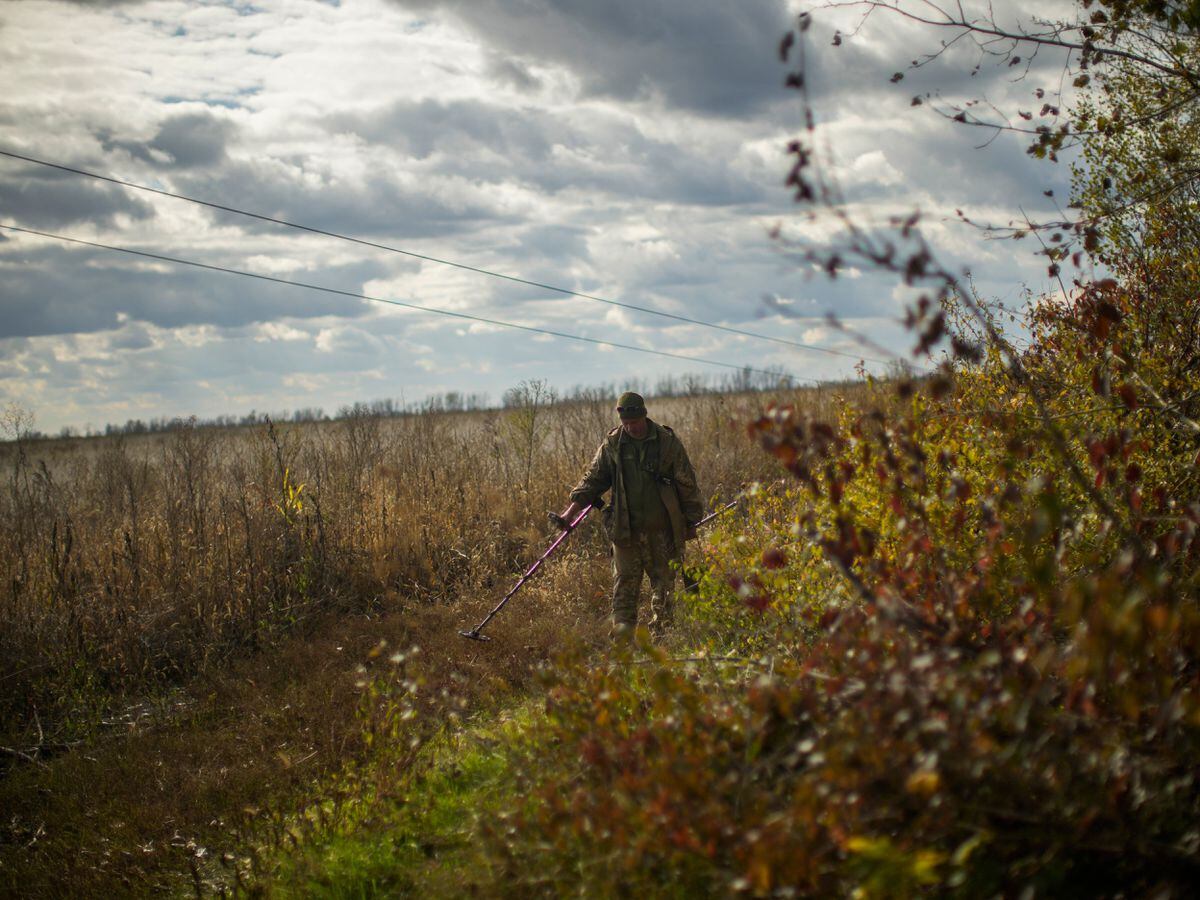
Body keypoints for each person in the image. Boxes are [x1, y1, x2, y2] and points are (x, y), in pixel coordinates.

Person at [551, 391, 703, 638]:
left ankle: (661, 645)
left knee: (664, 591)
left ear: (644, 416)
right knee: (624, 591)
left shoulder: (666, 442)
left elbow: (686, 481)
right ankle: (623, 650)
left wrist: (691, 520)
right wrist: (570, 512)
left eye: (634, 423)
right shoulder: (613, 444)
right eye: (626, 424)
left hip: (662, 531)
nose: (631, 428)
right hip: (625, 531)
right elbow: (594, 479)